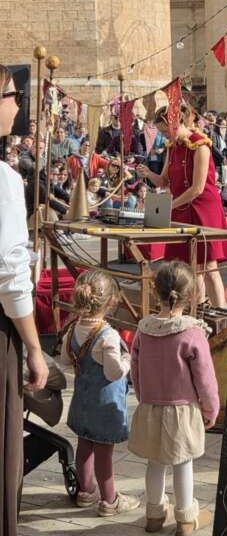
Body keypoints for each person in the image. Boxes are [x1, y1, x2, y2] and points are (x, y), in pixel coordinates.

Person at [129, 261, 219, 534]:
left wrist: (145, 397)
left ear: (155, 292)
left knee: (154, 463)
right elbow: (205, 378)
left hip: (151, 406)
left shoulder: (144, 330)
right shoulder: (192, 333)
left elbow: (135, 369)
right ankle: (185, 519)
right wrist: (211, 409)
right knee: (183, 463)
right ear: (190, 296)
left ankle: (154, 516)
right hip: (182, 410)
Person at [0, 65, 49, 535]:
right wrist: (34, 347)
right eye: (13, 96)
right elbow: (11, 277)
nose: (17, 105)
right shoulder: (4, 181)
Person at [136, 105, 227, 308]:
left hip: (203, 209)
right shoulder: (172, 147)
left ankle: (222, 314)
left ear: (175, 123)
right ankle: (196, 313)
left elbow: (197, 188)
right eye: (161, 132)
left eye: (164, 130)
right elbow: (163, 181)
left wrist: (168, 205)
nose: (162, 135)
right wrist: (147, 174)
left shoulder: (200, 146)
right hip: (181, 208)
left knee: (208, 267)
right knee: (189, 267)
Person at [60, 270, 138, 516]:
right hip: (105, 405)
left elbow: (64, 360)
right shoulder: (109, 336)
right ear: (111, 302)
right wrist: (127, 361)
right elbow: (114, 373)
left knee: (84, 445)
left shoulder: (72, 329)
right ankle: (110, 499)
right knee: (104, 452)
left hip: (82, 400)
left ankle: (86, 492)